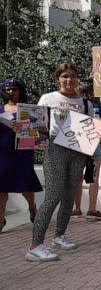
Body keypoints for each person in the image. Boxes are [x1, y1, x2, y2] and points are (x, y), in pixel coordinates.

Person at [26, 63, 95, 262]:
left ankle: (59, 235)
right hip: (55, 150)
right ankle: (35, 245)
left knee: (69, 195)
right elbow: (35, 126)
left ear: (77, 78)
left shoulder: (85, 103)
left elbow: (89, 130)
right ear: (58, 78)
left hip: (78, 152)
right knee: (53, 196)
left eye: (72, 76)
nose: (69, 80)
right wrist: (39, 131)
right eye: (64, 76)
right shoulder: (48, 98)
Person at [0, 78, 43, 233]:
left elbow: (40, 130)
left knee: (25, 185)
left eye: (13, 88)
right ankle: (0, 219)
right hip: (3, 153)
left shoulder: (29, 109)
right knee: (1, 187)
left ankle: (32, 207)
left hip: (23, 152)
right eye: (7, 89)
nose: (10, 91)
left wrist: (32, 133)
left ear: (20, 90)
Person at [72, 86, 101, 220]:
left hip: (78, 144)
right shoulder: (97, 106)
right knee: (93, 178)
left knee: (77, 178)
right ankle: (91, 209)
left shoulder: (75, 106)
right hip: (94, 143)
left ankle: (77, 208)